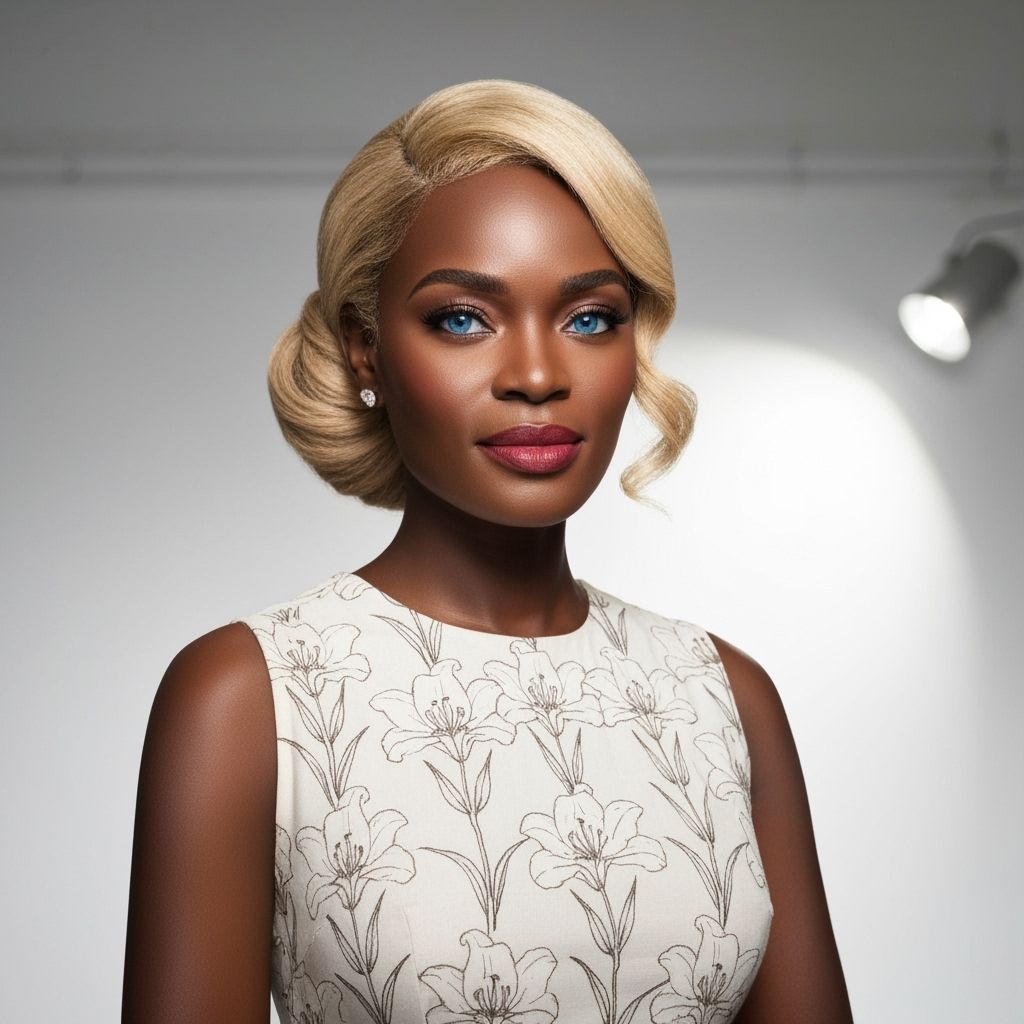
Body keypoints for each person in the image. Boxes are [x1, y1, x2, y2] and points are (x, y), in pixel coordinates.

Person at [122, 80, 853, 1024]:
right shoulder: (249, 696)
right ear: (366, 351)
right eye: (463, 319)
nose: (539, 376)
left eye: (591, 317)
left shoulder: (723, 695)